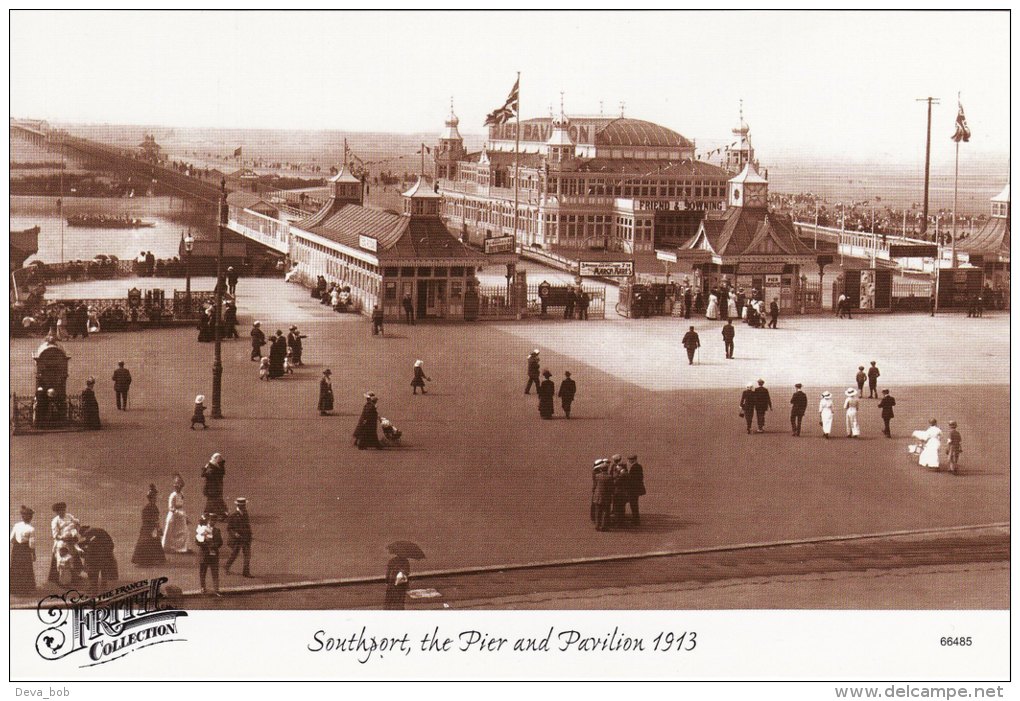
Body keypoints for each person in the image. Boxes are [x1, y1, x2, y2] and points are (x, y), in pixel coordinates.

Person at [131, 484, 166, 567]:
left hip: (150, 527)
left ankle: (151, 559)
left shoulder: (153, 507)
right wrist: (155, 525)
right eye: (154, 498)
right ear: (151, 498)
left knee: (153, 542)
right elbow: (147, 519)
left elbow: (156, 518)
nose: (155, 499)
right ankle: (146, 560)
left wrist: (157, 526)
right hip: (148, 527)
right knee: (148, 542)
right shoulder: (148, 508)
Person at [79, 525, 118, 595]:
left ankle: (94, 589)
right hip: (106, 555)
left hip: (98, 557)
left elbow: (92, 545)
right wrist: (81, 544)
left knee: (93, 573)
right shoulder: (95, 531)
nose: (85, 536)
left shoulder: (90, 532)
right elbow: (90, 540)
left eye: (84, 535)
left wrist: (83, 549)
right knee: (104, 572)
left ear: (85, 532)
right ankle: (102, 587)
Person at [10, 505, 37, 596]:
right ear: (30, 518)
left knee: (16, 567)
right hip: (25, 549)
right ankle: (24, 589)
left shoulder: (16, 525)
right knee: (26, 568)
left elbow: (11, 539)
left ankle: (14, 588)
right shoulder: (31, 529)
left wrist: (17, 546)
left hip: (16, 549)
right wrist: (33, 554)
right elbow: (31, 544)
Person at [224, 497, 253, 577]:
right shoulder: (233, 516)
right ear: (238, 506)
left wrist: (250, 535)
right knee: (234, 554)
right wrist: (235, 534)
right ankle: (226, 567)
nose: (243, 507)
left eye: (244, 505)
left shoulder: (245, 514)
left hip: (246, 538)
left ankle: (246, 572)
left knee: (247, 555)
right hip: (237, 540)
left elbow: (247, 525)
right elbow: (229, 528)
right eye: (242, 506)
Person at [162, 474, 190, 553]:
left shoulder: (181, 494)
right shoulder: (172, 495)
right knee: (170, 531)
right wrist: (177, 512)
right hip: (173, 515)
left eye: (180, 486)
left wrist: (184, 515)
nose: (179, 488)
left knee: (184, 530)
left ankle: (181, 547)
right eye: (177, 486)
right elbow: (170, 507)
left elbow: (181, 505)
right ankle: (168, 547)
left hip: (180, 515)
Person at [195, 514, 223, 596]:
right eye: (211, 520)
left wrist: (215, 545)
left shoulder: (217, 531)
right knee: (203, 572)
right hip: (204, 554)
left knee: (215, 572)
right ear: (208, 520)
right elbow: (197, 541)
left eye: (214, 521)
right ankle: (203, 588)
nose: (212, 522)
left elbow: (220, 542)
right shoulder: (202, 529)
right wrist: (205, 544)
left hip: (214, 554)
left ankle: (216, 589)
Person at [591, 460, 614, 531]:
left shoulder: (597, 476)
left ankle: (597, 526)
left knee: (598, 512)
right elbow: (611, 488)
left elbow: (595, 485)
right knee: (605, 512)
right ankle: (604, 526)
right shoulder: (609, 477)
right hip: (606, 497)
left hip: (597, 496)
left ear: (601, 469)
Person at [624, 454, 645, 527]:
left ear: (634, 459)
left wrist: (625, 474)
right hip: (635, 489)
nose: (629, 461)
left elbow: (632, 478)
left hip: (633, 489)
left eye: (630, 459)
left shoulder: (635, 467)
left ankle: (636, 520)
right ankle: (635, 519)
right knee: (634, 504)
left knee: (634, 505)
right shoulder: (637, 466)